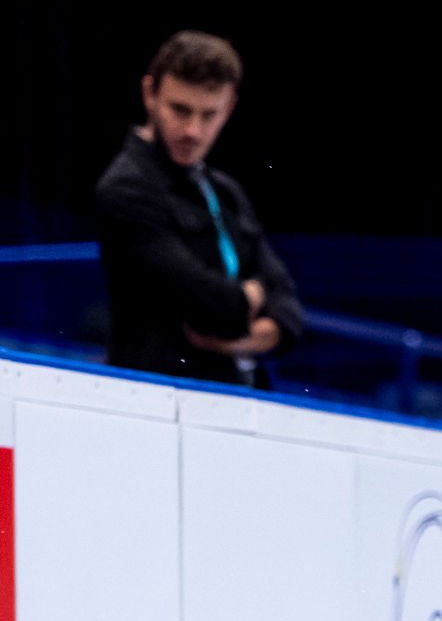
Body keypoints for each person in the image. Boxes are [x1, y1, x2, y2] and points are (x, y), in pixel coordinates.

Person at [95, 30, 303, 388]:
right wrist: (249, 299)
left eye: (209, 115)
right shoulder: (126, 188)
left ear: (229, 107)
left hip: (238, 397)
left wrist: (240, 338)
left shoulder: (225, 191)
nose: (193, 130)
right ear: (150, 93)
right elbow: (216, 311)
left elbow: (289, 313)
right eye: (180, 110)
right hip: (158, 397)